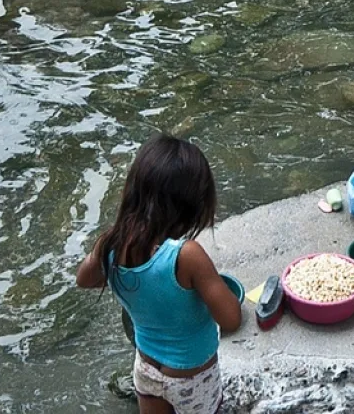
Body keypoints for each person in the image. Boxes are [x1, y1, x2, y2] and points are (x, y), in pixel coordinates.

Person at [76, 134, 241, 414]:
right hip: (191, 378)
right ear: (191, 206)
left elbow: (84, 279)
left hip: (146, 369)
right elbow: (231, 319)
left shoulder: (111, 244)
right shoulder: (187, 256)